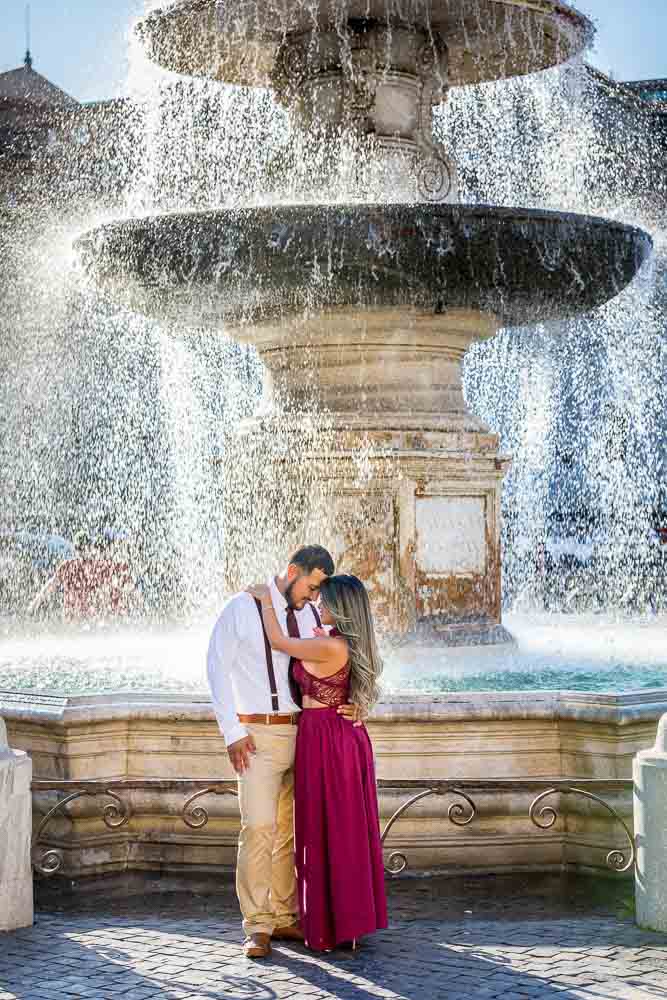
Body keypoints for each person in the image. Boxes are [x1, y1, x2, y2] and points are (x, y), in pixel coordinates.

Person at [206, 546, 363, 959]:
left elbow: (345, 661)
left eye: (318, 592)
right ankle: (256, 925)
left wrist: (360, 701)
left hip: (307, 735)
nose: (314, 598)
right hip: (257, 734)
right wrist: (231, 732)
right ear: (293, 571)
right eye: (311, 586)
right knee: (258, 828)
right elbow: (215, 668)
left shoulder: (313, 614)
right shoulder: (242, 607)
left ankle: (283, 915)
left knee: (291, 832)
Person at [247, 573, 387, 953]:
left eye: (324, 602)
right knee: (335, 827)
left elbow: (277, 641)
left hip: (328, 739)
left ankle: (341, 924)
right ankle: (344, 922)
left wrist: (263, 600)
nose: (317, 606)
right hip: (329, 736)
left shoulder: (328, 646)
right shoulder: (338, 642)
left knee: (334, 828)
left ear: (340, 609)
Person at [28, 530, 135, 620]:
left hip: (72, 618)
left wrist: (34, 604)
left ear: (75, 549)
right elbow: (108, 590)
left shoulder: (68, 566)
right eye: (84, 547)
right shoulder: (95, 567)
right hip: (88, 618)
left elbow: (50, 586)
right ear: (89, 547)